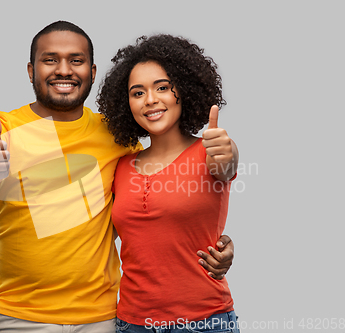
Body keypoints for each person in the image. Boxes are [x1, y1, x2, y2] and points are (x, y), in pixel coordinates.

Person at [0, 21, 235, 333]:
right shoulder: (0, 127)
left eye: (75, 61)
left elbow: (156, 207)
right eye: (50, 59)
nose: (63, 70)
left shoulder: (117, 139)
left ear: (91, 72)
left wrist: (217, 243)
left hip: (101, 318)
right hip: (16, 315)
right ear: (30, 70)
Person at [97, 34, 240, 332]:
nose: (150, 100)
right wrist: (10, 228)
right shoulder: (122, 167)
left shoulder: (210, 151)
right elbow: (93, 234)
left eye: (162, 87)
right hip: (131, 324)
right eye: (138, 93)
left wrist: (226, 151)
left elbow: (225, 166)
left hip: (205, 322)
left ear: (185, 89)